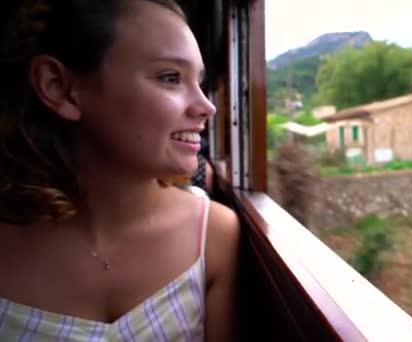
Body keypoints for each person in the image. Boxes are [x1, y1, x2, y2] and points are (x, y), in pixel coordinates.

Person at [0, 1, 240, 341]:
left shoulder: (214, 236)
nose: (207, 107)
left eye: (199, 82)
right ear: (60, 87)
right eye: (170, 77)